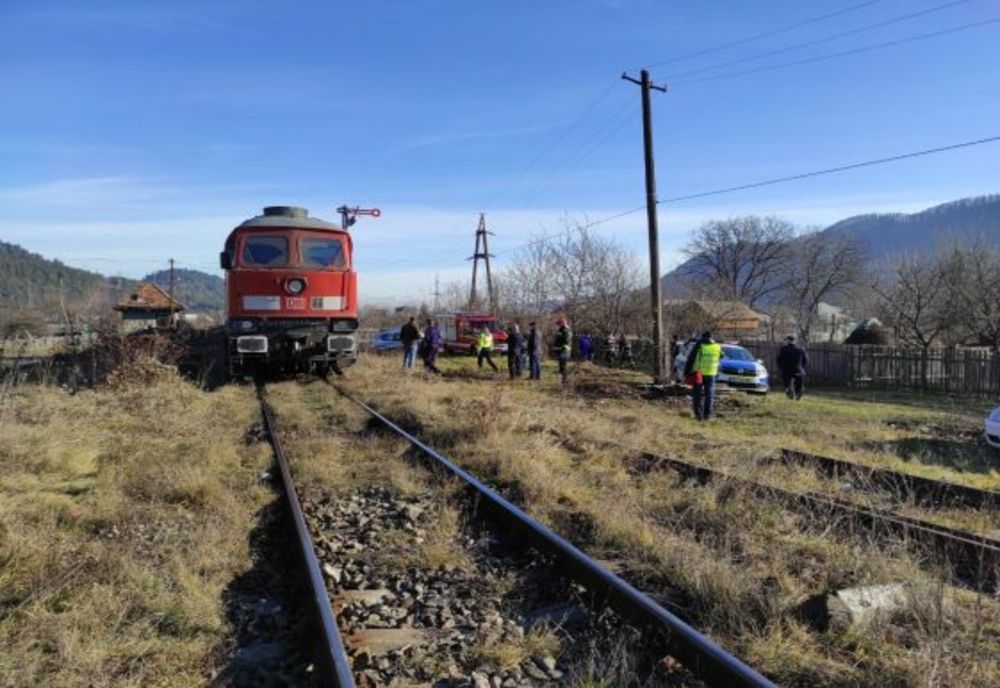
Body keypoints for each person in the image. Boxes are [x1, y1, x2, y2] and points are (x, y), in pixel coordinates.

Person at [683, 330, 722, 421]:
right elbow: (721, 356)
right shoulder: (717, 347)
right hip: (711, 374)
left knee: (697, 394)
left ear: (702, 337)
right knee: (709, 395)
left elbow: (691, 358)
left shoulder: (700, 345)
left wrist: (687, 371)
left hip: (699, 373)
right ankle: (707, 415)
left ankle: (698, 415)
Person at [776, 335, 808, 400]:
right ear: (794, 341)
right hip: (797, 370)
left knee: (786, 381)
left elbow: (779, 360)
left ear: (788, 341)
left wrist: (781, 368)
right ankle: (798, 392)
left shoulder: (783, 349)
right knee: (800, 381)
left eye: (786, 340)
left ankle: (788, 390)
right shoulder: (800, 349)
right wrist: (802, 368)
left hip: (786, 371)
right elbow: (806, 360)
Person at [554, 318, 572, 383]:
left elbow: (566, 341)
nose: (558, 325)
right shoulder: (561, 330)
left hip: (564, 352)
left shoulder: (567, 331)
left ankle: (565, 380)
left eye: (559, 324)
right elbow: (557, 340)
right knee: (561, 366)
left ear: (562, 323)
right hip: (561, 351)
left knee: (564, 366)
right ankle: (563, 380)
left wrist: (560, 347)